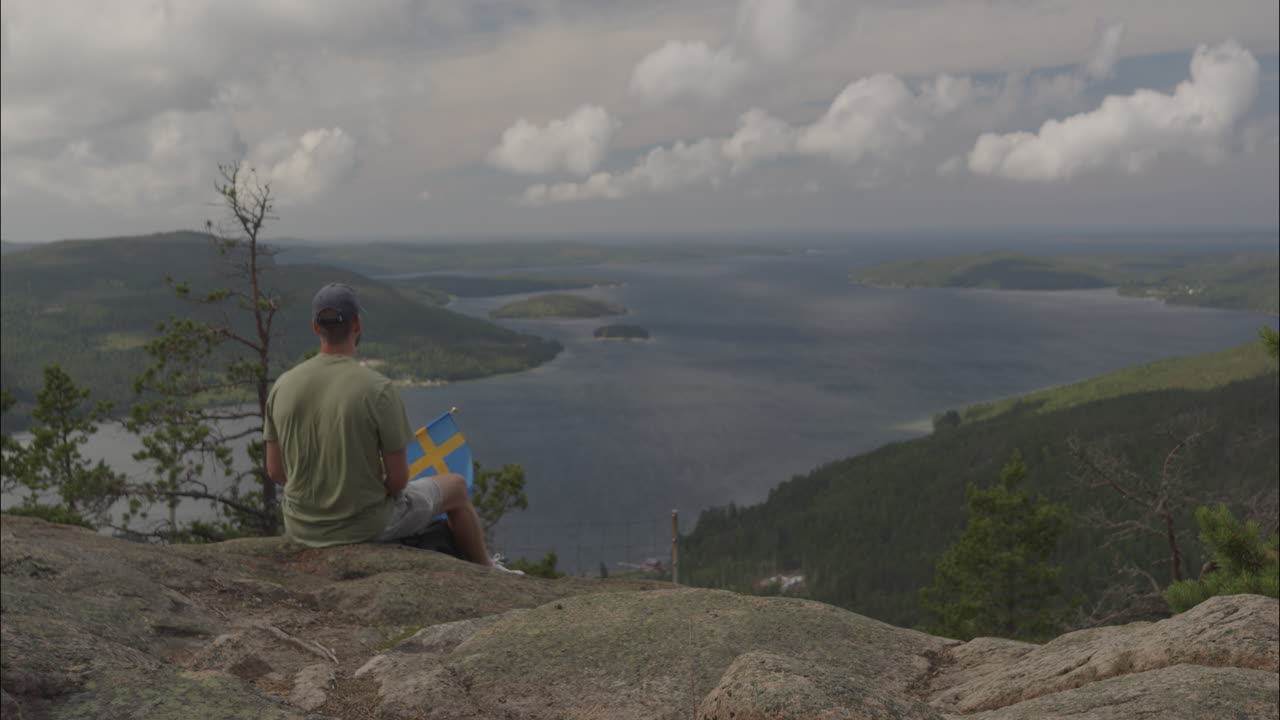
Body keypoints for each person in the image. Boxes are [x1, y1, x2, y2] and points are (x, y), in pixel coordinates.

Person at [264, 282, 494, 567]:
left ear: (315, 327)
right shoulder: (377, 389)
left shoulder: (283, 386)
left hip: (300, 526)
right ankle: (488, 569)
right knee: (456, 487)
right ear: (357, 324)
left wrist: (322, 491)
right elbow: (398, 481)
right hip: (365, 526)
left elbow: (275, 470)